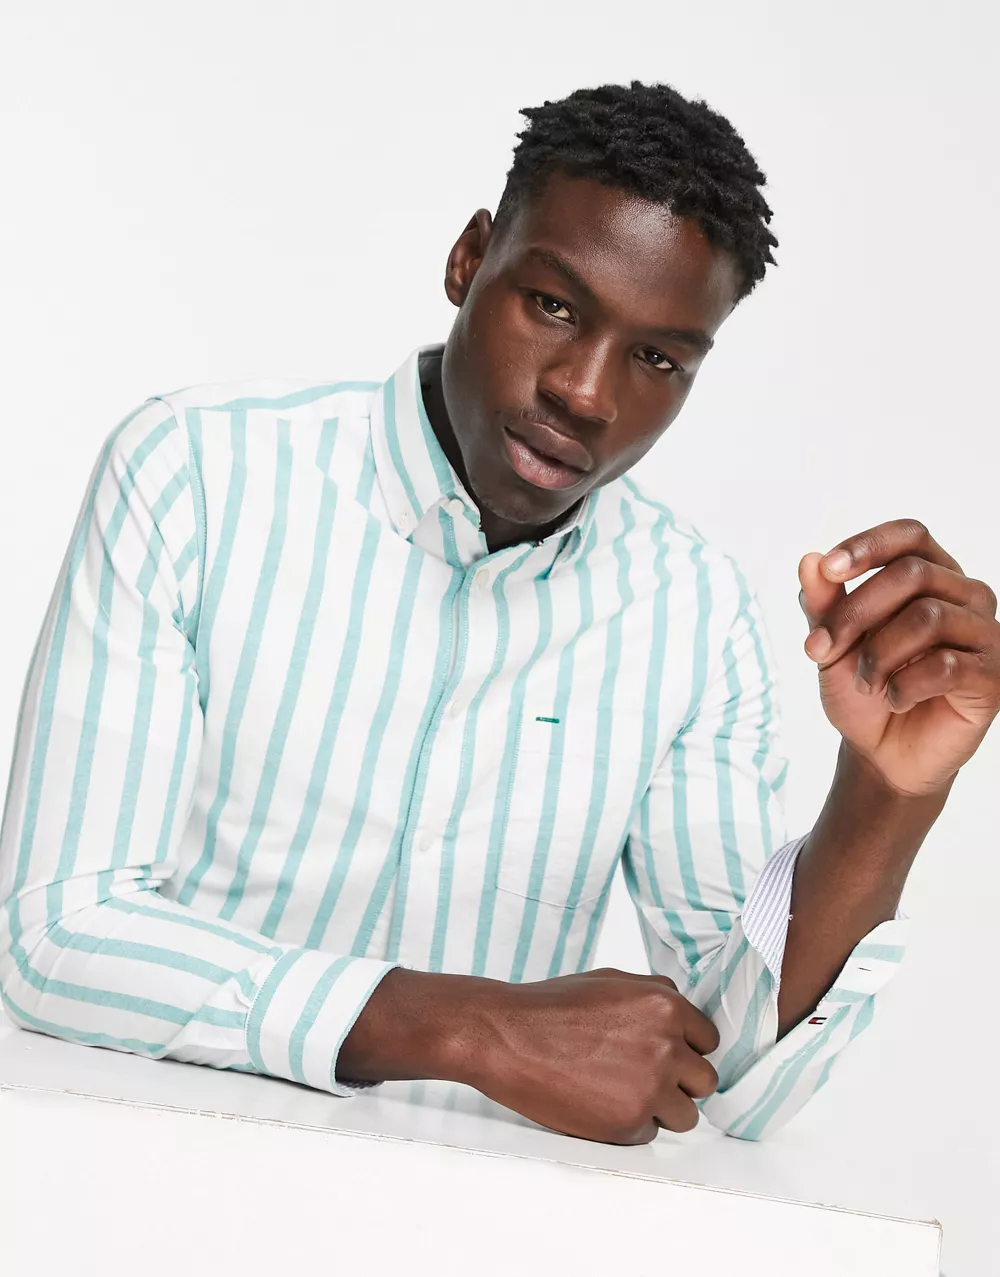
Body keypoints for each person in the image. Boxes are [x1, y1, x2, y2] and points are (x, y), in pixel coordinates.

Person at [1, 81, 997, 1146]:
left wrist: (887, 792)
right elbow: (55, 936)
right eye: (555, 305)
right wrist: (466, 1027)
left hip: (475, 1220)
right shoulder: (196, 474)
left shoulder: (691, 613)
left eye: (658, 358)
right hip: (141, 1180)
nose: (586, 393)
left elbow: (731, 1072)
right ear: (469, 258)